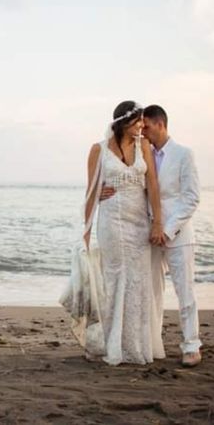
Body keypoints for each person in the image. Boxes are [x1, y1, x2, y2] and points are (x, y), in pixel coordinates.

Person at [101, 104, 202, 367]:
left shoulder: (183, 154)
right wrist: (105, 192)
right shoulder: (141, 152)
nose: (141, 130)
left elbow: (192, 198)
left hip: (177, 234)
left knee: (185, 291)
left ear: (160, 124)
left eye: (146, 126)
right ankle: (153, 342)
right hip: (147, 233)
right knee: (153, 292)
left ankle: (191, 346)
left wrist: (166, 229)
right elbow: (134, 185)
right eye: (139, 126)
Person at [79, 100, 166, 365]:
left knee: (138, 280)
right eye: (138, 121)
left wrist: (158, 222)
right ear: (123, 122)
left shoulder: (144, 146)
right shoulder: (99, 150)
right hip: (112, 222)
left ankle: (135, 345)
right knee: (115, 278)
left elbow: (152, 185)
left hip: (139, 222)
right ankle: (111, 343)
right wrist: (86, 231)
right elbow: (92, 190)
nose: (142, 125)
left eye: (143, 121)